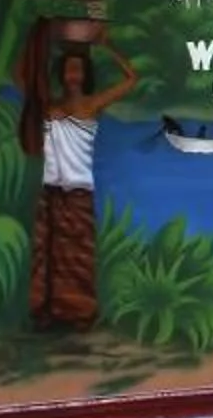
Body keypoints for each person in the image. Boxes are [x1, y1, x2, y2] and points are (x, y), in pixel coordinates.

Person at [28, 41, 137, 331]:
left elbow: (131, 79)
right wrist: (38, 42)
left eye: (77, 67)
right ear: (61, 73)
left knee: (77, 256)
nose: (72, 71)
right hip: (51, 189)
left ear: (84, 72)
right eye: (68, 67)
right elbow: (19, 75)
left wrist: (106, 46)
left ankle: (77, 316)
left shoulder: (93, 104)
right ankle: (45, 313)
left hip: (78, 190)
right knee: (46, 253)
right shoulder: (50, 104)